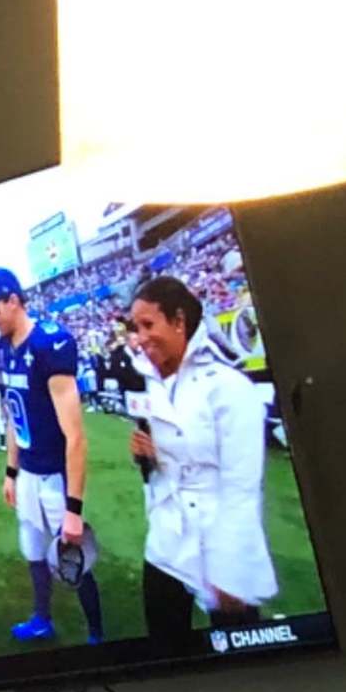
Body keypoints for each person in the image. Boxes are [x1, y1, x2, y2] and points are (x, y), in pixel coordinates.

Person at [121, 272, 280, 642]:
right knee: (164, 647)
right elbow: (166, 468)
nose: (140, 338)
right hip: (165, 539)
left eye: (148, 325)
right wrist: (147, 457)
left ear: (179, 321)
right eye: (136, 327)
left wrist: (229, 571)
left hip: (218, 537)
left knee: (240, 660)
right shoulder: (152, 385)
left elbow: (241, 488)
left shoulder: (229, 387)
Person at [0, 264, 101, 644]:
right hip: (27, 471)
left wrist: (74, 509)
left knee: (73, 556)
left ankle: (97, 633)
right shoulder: (2, 348)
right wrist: (11, 472)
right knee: (31, 549)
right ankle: (42, 618)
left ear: (14, 301)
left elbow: (75, 437)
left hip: (54, 473)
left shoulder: (50, 343)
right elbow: (15, 416)